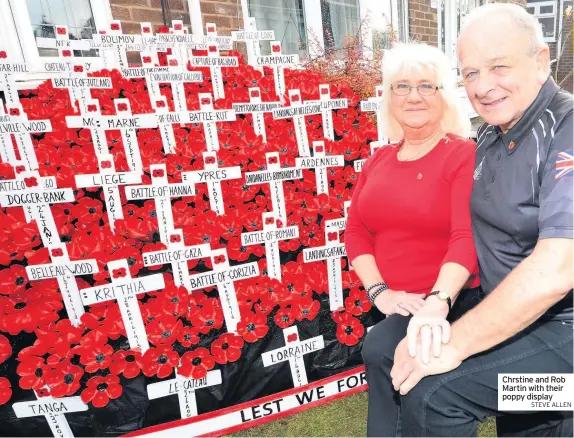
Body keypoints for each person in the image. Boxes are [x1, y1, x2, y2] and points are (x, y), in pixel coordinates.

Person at [362, 3, 573, 437]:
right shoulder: (493, 136)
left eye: (498, 66)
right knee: (389, 347)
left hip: (565, 369)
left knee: (439, 390)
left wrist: (453, 343)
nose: (484, 86)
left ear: (540, 60)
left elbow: (558, 268)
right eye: (471, 72)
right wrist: (436, 306)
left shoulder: (566, 127)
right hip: (521, 328)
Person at [345, 41, 482, 431]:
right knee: (386, 363)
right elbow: (356, 231)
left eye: (427, 86)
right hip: (396, 304)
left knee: (385, 353)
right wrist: (380, 293)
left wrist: (436, 302)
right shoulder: (378, 160)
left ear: (445, 98)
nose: (414, 96)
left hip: (448, 299)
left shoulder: (461, 155)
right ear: (388, 98)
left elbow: (465, 235)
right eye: (401, 87)